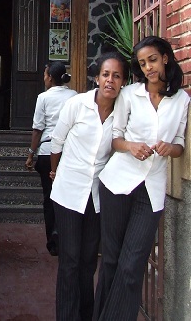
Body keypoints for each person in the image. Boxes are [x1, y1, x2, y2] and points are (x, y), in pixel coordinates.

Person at [93, 36, 190, 321]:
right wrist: (132, 146)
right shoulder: (131, 94)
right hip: (118, 183)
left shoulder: (181, 99)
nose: (148, 67)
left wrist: (170, 148)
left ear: (166, 58)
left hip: (151, 190)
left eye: (153, 60)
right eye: (143, 63)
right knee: (111, 261)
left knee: (132, 266)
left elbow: (181, 143)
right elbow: (116, 138)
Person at [49, 51, 130, 321]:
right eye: (106, 74)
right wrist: (54, 170)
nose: (110, 80)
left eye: (116, 76)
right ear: (97, 78)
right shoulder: (77, 104)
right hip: (69, 191)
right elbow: (56, 142)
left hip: (97, 196)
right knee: (70, 261)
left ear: (123, 82)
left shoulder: (124, 112)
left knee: (87, 262)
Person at [25, 61, 77, 256]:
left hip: (47, 152)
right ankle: (68, 237)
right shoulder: (74, 96)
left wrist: (31, 153)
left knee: (49, 198)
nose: (44, 78)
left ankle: (53, 242)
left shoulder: (43, 98)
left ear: (50, 78)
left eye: (45, 75)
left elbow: (38, 129)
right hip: (68, 152)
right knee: (68, 197)